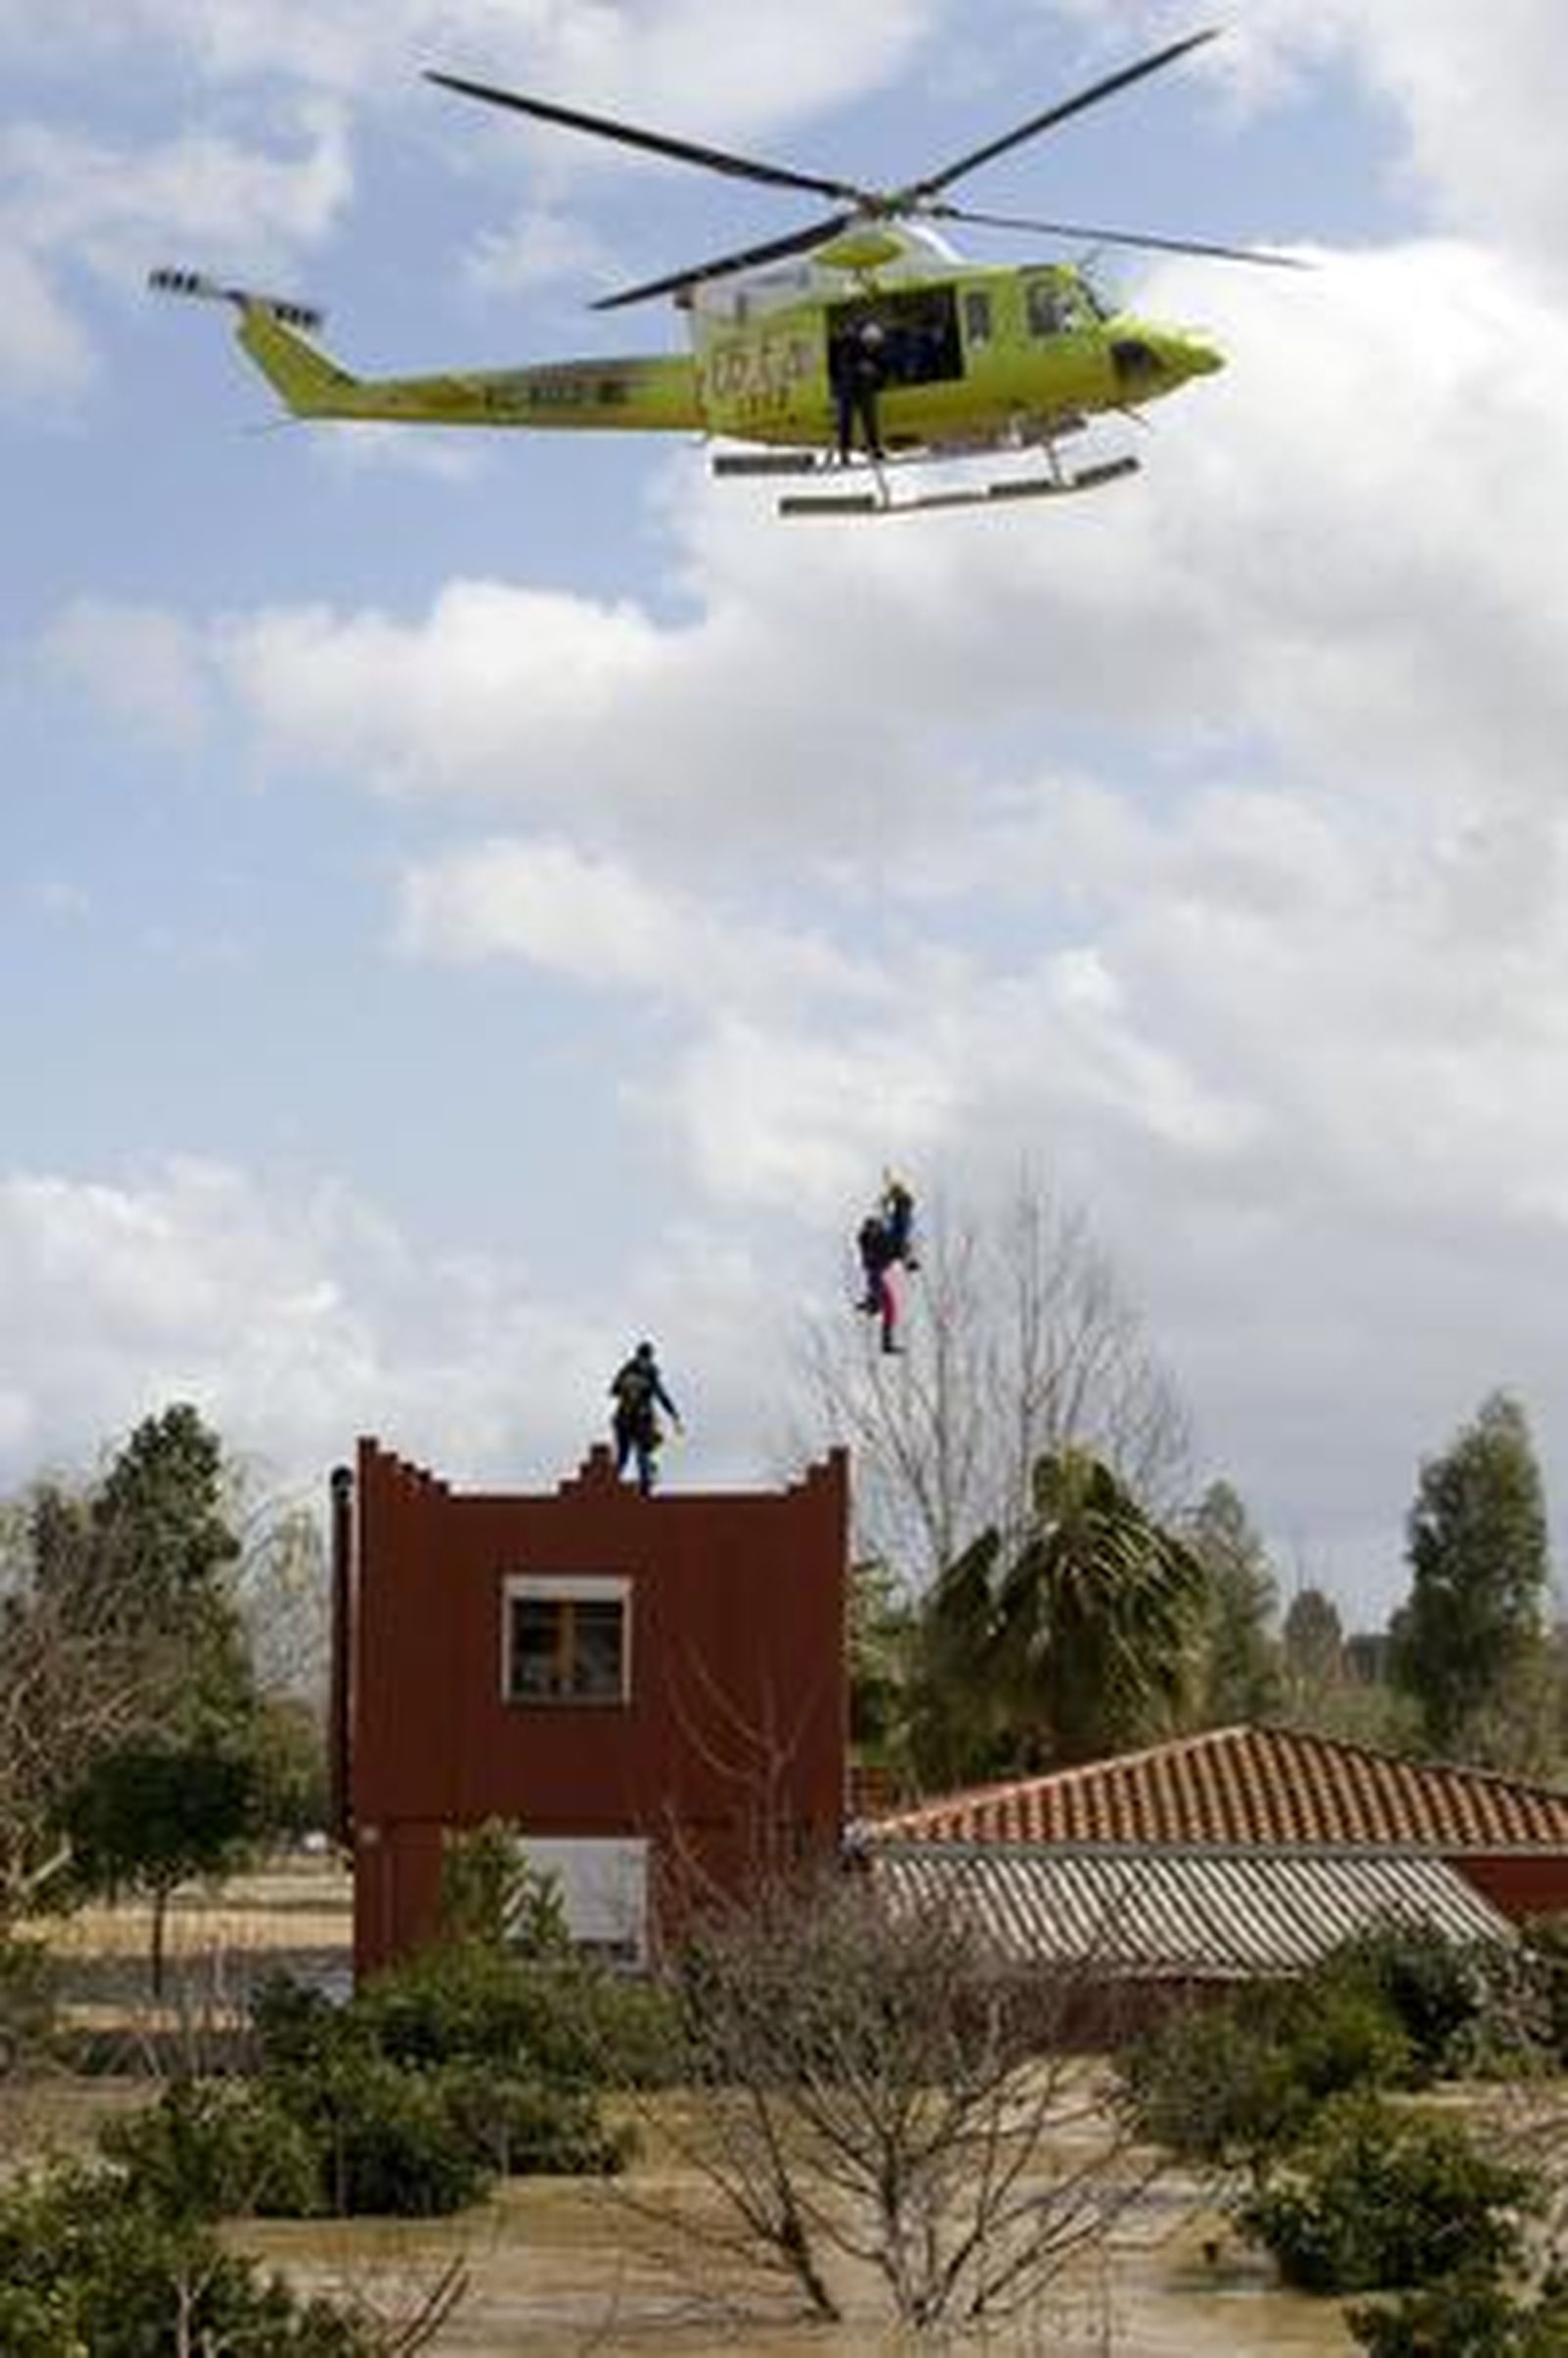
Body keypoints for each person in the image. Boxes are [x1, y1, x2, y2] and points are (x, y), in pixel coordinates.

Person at [609, 1340, 681, 1496]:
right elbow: (661, 1395)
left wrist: (627, 1387)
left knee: (624, 1455)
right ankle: (644, 1486)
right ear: (649, 1356)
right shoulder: (649, 1371)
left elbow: (613, 1391)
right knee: (641, 1451)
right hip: (640, 1417)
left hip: (623, 1417)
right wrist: (673, 1414)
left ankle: (612, 1483)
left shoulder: (626, 1370)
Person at [833, 318, 888, 465]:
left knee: (870, 419)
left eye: (874, 345)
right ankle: (844, 452)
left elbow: (880, 368)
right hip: (848, 389)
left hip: (865, 388)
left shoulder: (875, 351)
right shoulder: (850, 347)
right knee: (846, 421)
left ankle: (874, 448)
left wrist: (874, 372)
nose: (872, 347)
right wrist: (860, 368)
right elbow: (843, 366)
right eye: (870, 344)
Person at [856, 1211, 901, 1354]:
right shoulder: (868, 1241)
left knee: (889, 1308)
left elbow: (888, 1248)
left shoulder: (877, 1240)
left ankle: (871, 1304)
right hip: (875, 1274)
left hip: (876, 1274)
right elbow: (870, 1246)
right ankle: (871, 1304)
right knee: (889, 1306)